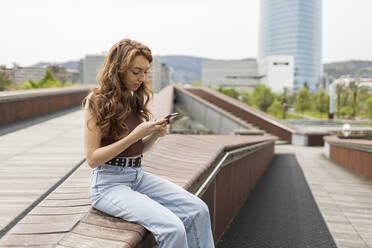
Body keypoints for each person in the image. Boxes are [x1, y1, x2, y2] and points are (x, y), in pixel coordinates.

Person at [83, 38, 215, 248]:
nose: (141, 78)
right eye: (136, 71)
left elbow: (136, 151)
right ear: (119, 69)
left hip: (137, 175)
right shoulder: (96, 101)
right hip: (108, 185)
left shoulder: (133, 98)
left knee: (198, 210)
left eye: (145, 72)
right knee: (172, 228)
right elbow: (92, 159)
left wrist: (154, 134)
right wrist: (134, 135)